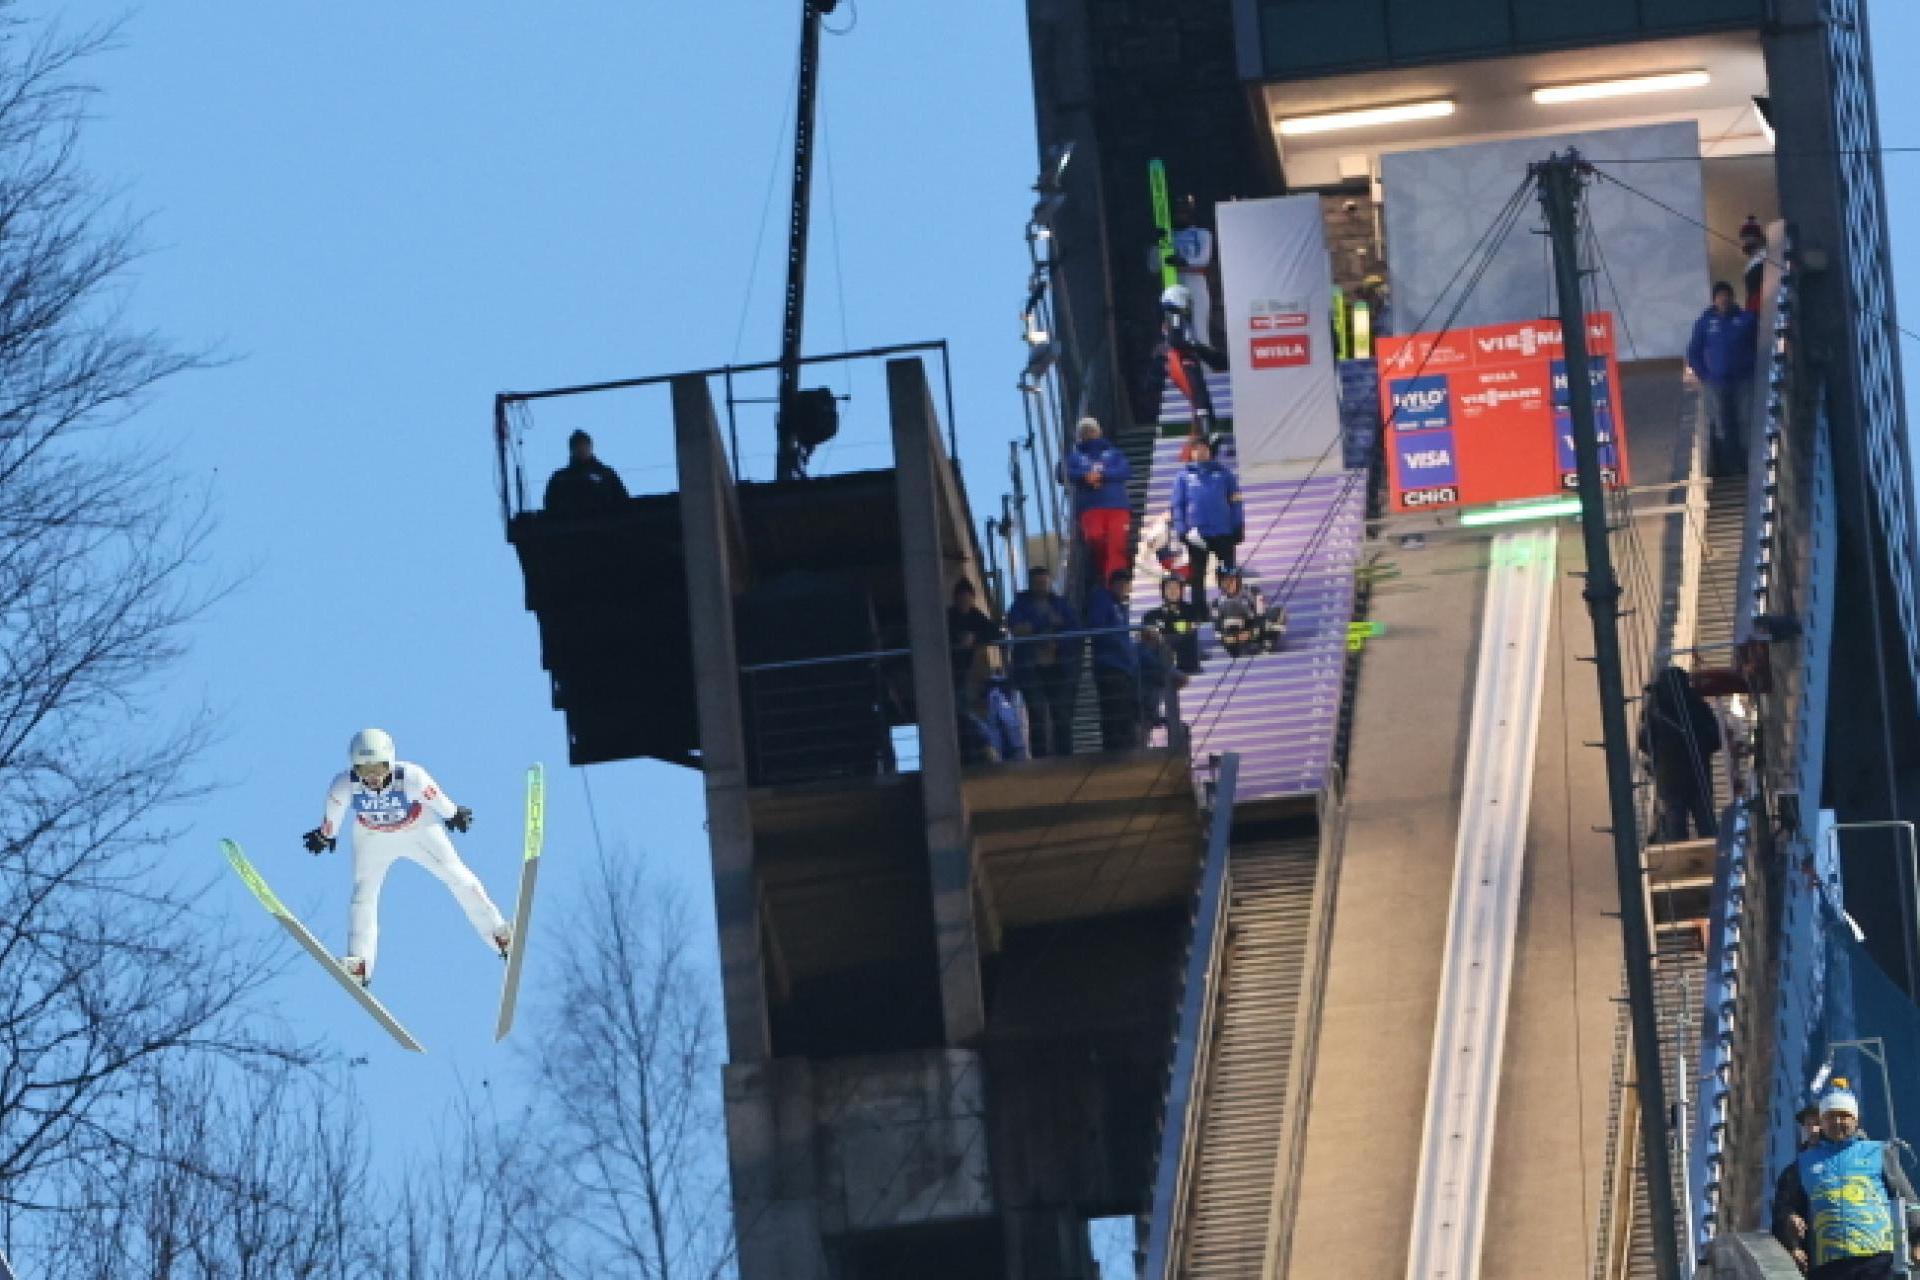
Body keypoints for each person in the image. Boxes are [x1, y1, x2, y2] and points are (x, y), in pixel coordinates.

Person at [300, 729, 512, 987]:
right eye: (364, 770)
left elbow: (438, 798)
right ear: (353, 768)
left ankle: (499, 934)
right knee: (362, 897)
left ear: (390, 762)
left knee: (458, 877)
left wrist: (453, 813)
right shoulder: (343, 785)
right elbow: (332, 816)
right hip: (372, 837)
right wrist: (325, 835)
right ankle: (360, 964)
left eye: (378, 768)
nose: (373, 777)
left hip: (418, 829)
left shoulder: (411, 777)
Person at [1771, 1080, 1920, 1277]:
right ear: (1822, 1121)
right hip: (1827, 1265)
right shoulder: (1802, 1164)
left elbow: (1909, 1202)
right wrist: (1791, 1232)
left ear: (1855, 1120)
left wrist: (1917, 1242)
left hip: (1878, 1260)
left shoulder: (1879, 1152)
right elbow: (1785, 1209)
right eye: (1831, 1116)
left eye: (1844, 1116)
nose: (1838, 1122)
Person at [1637, 666, 1723, 842]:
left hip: (1668, 778)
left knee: (1674, 825)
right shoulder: (1698, 706)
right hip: (1699, 774)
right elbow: (1716, 740)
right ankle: (1715, 860)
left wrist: (1663, 754)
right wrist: (1700, 747)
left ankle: (1679, 863)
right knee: (1706, 823)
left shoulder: (1654, 711)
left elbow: (1644, 742)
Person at [1005, 567, 1083, 758]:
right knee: (1037, 715)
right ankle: (1040, 759)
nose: (1042, 586)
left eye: (1044, 582)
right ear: (1031, 584)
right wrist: (1045, 623)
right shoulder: (1020, 605)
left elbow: (1075, 628)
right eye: (1038, 583)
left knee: (1062, 715)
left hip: (1058, 666)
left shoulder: (1061, 604)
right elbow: (1016, 628)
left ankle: (1066, 757)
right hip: (1031, 669)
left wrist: (1056, 641)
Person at [1686, 282, 1758, 477]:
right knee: (1721, 423)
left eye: (1727, 295)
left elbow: (1759, 346)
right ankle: (1727, 467)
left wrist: (1752, 368)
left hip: (1743, 381)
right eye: (1720, 296)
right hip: (1716, 383)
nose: (1723, 299)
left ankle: (1747, 464)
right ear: (1714, 300)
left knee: (1745, 421)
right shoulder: (1705, 323)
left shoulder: (1746, 320)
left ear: (1732, 297)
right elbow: (1694, 351)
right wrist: (1705, 374)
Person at [1171, 435, 1244, 606]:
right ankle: (1199, 612)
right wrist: (1181, 529)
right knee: (1197, 575)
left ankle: (1232, 606)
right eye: (1197, 449)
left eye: (1204, 448)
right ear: (1191, 453)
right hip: (1197, 534)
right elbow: (1177, 504)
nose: (1201, 452)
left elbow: (1236, 502)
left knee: (1228, 571)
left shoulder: (1224, 474)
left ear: (1210, 451)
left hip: (1223, 532)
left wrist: (1238, 525)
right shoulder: (1182, 477)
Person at [1064, 418, 1134, 585]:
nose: (1089, 433)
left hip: (1117, 506)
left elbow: (1125, 471)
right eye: (1084, 431)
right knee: (1095, 538)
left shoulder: (1114, 453)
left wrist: (1102, 475)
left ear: (1099, 431)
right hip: (1090, 508)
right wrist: (1084, 476)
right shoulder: (1074, 457)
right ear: (1079, 436)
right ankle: (1107, 573)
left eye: (1092, 429)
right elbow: (1064, 473)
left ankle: (1117, 579)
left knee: (1117, 541)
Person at [1085, 567, 1141, 752]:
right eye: (1120, 584)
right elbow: (1097, 626)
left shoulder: (1121, 607)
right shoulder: (1103, 599)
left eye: (1127, 584)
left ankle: (1123, 749)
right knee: (1114, 711)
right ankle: (1115, 752)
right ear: (1113, 585)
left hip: (1123, 668)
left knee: (1124, 711)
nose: (1124, 587)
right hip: (1110, 666)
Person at [1154, 194, 1216, 348]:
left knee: (1198, 330)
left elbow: (1204, 259)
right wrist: (1155, 245)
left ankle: (1205, 370)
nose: (1180, 215)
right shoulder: (1167, 237)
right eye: (1177, 212)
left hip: (1195, 283)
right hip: (1172, 284)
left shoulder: (1201, 234)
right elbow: (1153, 266)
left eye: (1184, 211)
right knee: (1175, 332)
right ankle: (1179, 370)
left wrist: (1183, 262)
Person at [544, 429, 630, 515]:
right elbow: (550, 508)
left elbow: (623, 502)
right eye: (577, 446)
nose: (581, 449)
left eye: (584, 445)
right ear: (571, 450)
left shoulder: (606, 474)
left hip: (604, 523)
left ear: (590, 447)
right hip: (572, 525)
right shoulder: (560, 478)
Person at [1212, 565, 1287, 658]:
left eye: (1231, 580)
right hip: (1234, 638)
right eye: (1224, 582)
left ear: (1238, 580)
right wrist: (1233, 638)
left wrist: (1251, 632)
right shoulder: (1216, 603)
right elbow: (1217, 631)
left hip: (1254, 629)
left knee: (1279, 613)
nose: (1228, 584)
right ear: (1220, 583)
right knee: (1231, 608)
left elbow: (1261, 615)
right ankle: (1240, 650)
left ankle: (1267, 645)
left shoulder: (1254, 591)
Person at [947, 579, 1002, 697]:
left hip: (965, 665)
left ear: (972, 599)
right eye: (961, 599)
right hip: (947, 663)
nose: (964, 602)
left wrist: (975, 638)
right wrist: (958, 640)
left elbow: (994, 632)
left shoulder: (975, 615)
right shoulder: (948, 616)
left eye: (967, 599)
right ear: (955, 599)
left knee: (960, 692)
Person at [1142, 572, 1202, 675]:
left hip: (1187, 667)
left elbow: (1190, 627)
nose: (1173, 591)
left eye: (1176, 588)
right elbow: (1149, 632)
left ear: (1182, 590)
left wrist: (1164, 627)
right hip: (1160, 669)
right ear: (1163, 591)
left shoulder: (1191, 611)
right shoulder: (1152, 614)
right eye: (1169, 588)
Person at [1740, 215, 1768, 313]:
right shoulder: (1750, 263)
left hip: (1764, 304)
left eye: (1750, 235)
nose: (1746, 240)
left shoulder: (1767, 255)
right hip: (1753, 308)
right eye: (1744, 237)